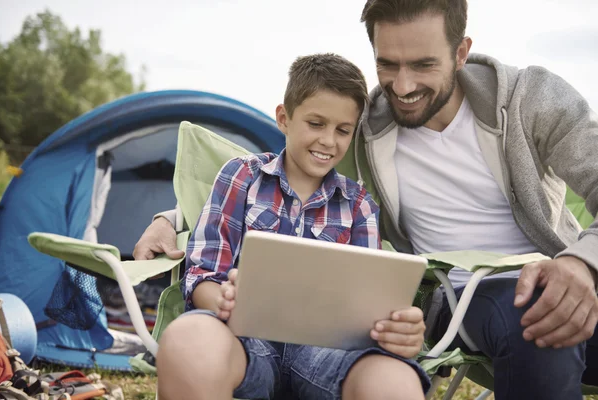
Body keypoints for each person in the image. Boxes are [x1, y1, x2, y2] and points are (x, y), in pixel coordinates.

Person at [135, 1, 598, 399]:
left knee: (542, 304)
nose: (401, 87)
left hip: (557, 271)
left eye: (422, 64)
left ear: (461, 52)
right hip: (457, 298)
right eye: (387, 64)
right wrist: (170, 218)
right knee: (538, 314)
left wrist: (581, 262)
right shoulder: (370, 125)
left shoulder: (527, 100)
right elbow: (267, 175)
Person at [154, 53, 430, 400]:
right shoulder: (241, 177)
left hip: (328, 354)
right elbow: (202, 274)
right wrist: (224, 300)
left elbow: (368, 307)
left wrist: (396, 329)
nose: (329, 141)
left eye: (343, 130)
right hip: (243, 343)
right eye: (316, 124)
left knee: (394, 381)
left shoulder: (358, 205)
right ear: (284, 118)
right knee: (188, 340)